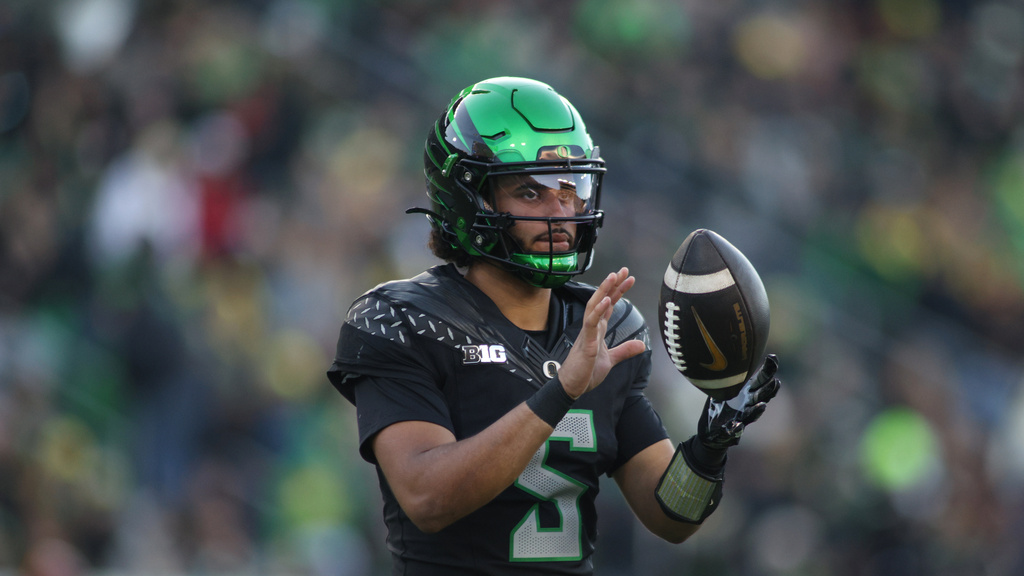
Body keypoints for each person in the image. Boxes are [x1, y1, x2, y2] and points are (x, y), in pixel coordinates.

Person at [327, 76, 781, 575]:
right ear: (468, 197)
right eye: (530, 191)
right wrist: (559, 389)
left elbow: (669, 515)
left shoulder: (605, 327)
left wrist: (709, 449)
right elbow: (427, 497)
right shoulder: (404, 320)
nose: (561, 212)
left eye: (571, 188)